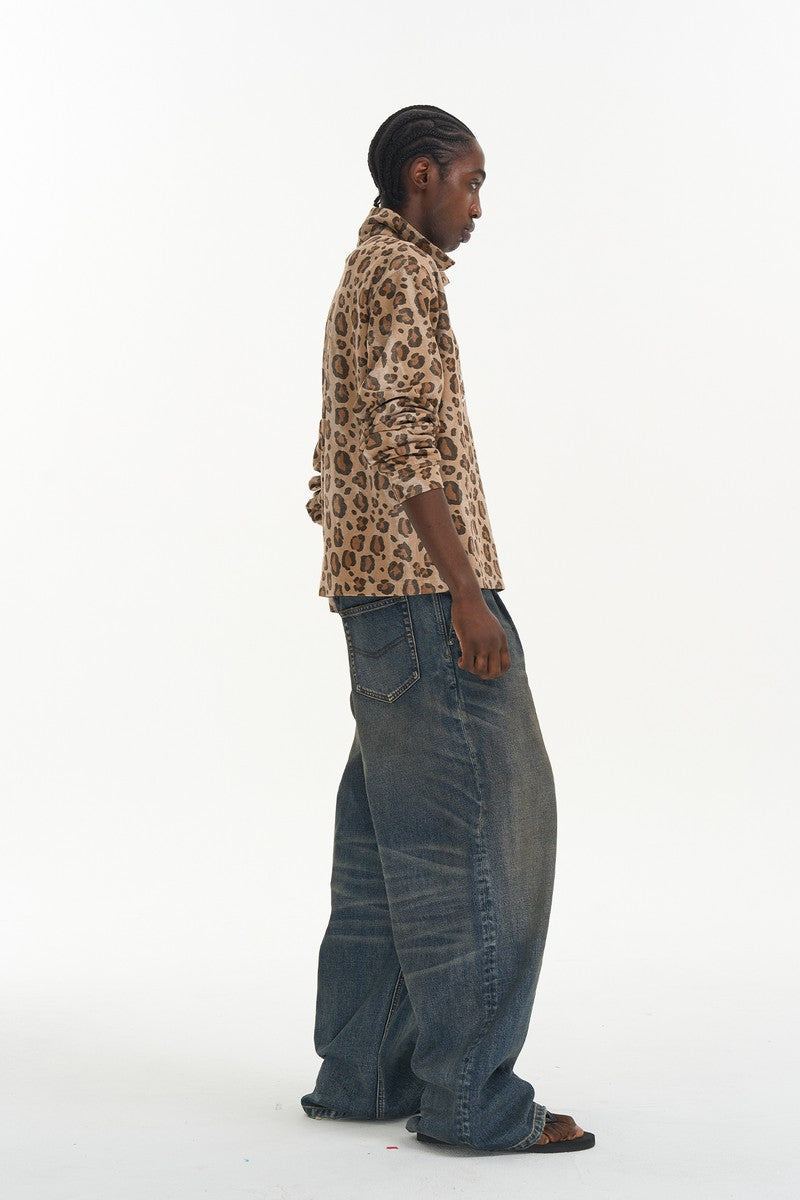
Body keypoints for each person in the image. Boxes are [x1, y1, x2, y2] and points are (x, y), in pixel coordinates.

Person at [300, 104, 594, 1154]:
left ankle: (363, 1074)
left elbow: (340, 447)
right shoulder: (402, 274)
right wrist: (466, 595)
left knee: (387, 840)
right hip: (427, 596)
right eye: (469, 182)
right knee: (492, 832)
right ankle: (472, 1099)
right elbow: (409, 440)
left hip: (376, 595)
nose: (477, 205)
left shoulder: (363, 269)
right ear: (420, 176)